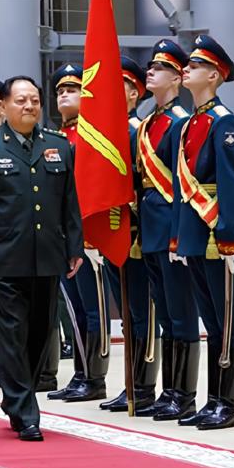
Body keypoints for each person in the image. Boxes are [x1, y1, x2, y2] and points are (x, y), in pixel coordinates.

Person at [0, 75, 83, 442]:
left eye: (34, 100)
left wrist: (74, 247)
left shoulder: (59, 146)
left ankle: (17, 398)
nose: (29, 106)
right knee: (12, 334)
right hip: (5, 257)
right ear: (3, 105)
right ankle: (26, 411)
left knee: (39, 334)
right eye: (20, 100)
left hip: (47, 255)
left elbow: (69, 204)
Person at [171, 35, 234, 430]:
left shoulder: (224, 122)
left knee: (228, 318)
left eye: (196, 66)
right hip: (195, 231)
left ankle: (229, 403)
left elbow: (233, 183)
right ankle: (213, 398)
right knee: (211, 320)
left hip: (217, 231)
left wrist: (230, 234)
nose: (187, 70)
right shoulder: (191, 123)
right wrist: (178, 235)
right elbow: (179, 185)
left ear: (214, 76)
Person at [131, 39, 201, 421]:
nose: (150, 73)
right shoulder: (149, 123)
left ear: (177, 77)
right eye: (150, 68)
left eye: (159, 69)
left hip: (170, 226)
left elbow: (181, 183)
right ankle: (169, 390)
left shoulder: (178, 123)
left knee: (180, 312)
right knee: (166, 311)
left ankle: (184, 393)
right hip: (151, 227)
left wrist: (179, 233)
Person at [46, 63, 112, 403]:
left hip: (88, 236)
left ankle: (95, 377)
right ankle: (81, 372)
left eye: (72, 89)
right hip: (62, 237)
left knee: (92, 308)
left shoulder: (91, 137)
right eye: (59, 91)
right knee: (73, 308)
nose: (64, 95)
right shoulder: (55, 139)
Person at [99, 56, 156, 413]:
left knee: (142, 314)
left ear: (134, 93)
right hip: (113, 230)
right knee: (127, 315)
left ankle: (144, 385)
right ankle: (132, 383)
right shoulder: (107, 132)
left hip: (136, 232)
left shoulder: (138, 130)